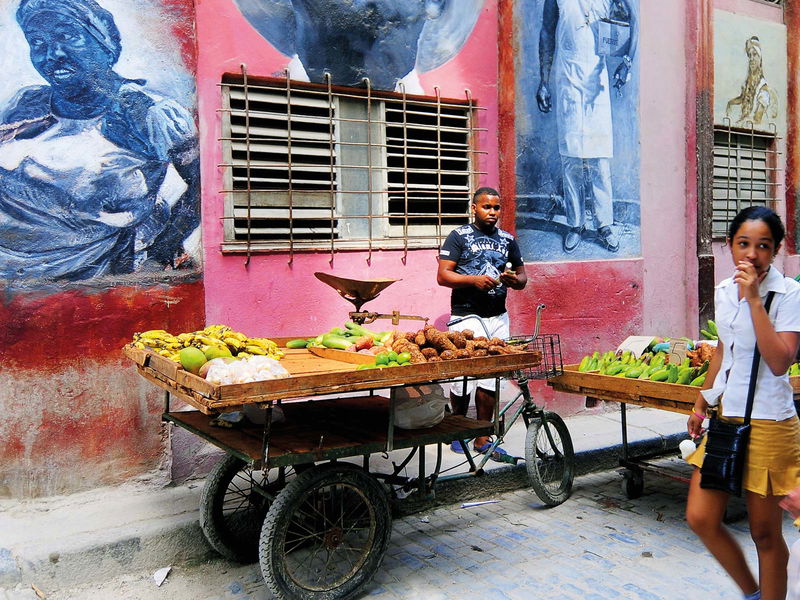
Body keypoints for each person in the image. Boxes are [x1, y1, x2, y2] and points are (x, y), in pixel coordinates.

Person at [0, 0, 199, 281]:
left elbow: (207, 186)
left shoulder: (146, 112)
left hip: (88, 282)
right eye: (37, 42)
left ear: (104, 41)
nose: (52, 54)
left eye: (67, 36)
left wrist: (162, 249)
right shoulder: (26, 105)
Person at [685, 206, 800, 600]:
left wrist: (754, 300)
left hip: (771, 423)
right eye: (743, 244)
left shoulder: (789, 294)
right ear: (730, 245)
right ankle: (753, 593)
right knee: (700, 517)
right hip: (727, 417)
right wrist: (701, 401)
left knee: (764, 533)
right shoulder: (722, 290)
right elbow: (723, 350)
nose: (752, 254)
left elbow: (781, 360)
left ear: (776, 250)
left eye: (763, 246)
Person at [536, 0, 636, 254]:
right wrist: (544, 81)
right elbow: (547, 31)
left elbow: (632, 20)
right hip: (567, 75)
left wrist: (627, 62)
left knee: (600, 158)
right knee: (570, 158)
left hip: (596, 77)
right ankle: (575, 224)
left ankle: (604, 225)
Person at [436, 187, 527, 459]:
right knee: (464, 376)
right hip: (466, 316)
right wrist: (473, 280)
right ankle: (458, 431)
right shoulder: (458, 236)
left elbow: (522, 278)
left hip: (498, 316)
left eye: (496, 208)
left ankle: (483, 436)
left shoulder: (508, 239)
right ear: (474, 208)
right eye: (486, 207)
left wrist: (514, 281)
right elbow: (443, 276)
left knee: (491, 378)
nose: (492, 212)